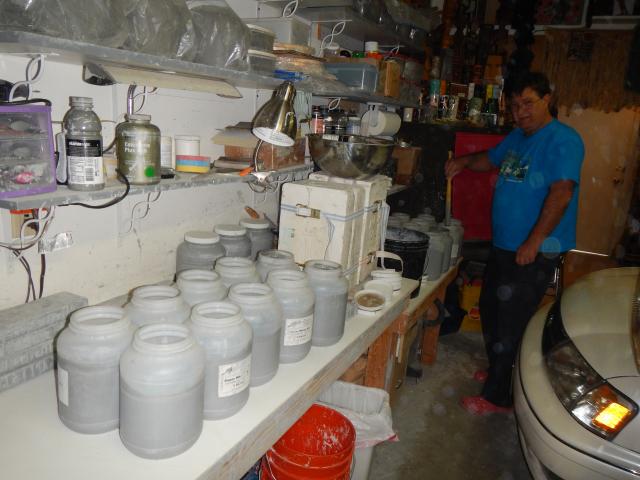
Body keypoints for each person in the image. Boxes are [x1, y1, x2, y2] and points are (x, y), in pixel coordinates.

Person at [445, 71, 585, 414]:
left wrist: (534, 241)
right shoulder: (518, 137)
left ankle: (499, 397)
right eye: (514, 106)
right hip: (506, 244)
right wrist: (463, 162)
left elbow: (562, 193)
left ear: (547, 99)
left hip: (535, 249)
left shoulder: (563, 140)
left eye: (528, 103)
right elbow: (489, 160)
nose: (520, 112)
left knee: (512, 321)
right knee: (492, 310)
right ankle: (500, 370)